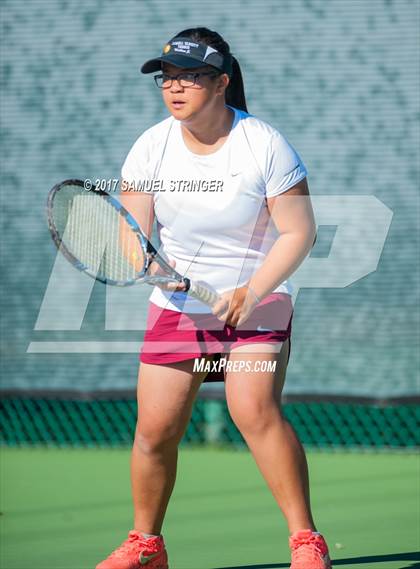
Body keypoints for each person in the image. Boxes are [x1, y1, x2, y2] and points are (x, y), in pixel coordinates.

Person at [96, 27, 331, 569]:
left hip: (261, 295)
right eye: (166, 78)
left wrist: (253, 291)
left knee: (253, 409)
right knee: (155, 429)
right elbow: (132, 235)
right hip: (180, 308)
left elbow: (299, 233)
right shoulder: (151, 146)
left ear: (222, 82)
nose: (174, 88)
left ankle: (306, 542)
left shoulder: (264, 144)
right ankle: (146, 546)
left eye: (190, 77)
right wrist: (153, 269)